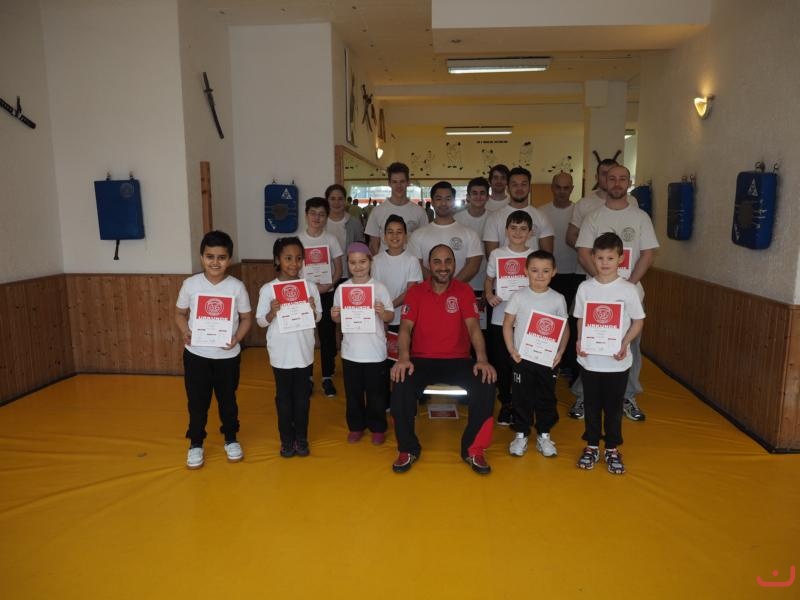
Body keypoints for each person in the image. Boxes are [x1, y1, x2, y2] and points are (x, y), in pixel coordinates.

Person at [390, 245, 497, 475]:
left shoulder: (464, 290)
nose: (443, 267)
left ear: (454, 264)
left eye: (448, 261)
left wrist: (482, 360)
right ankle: (407, 449)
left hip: (458, 360)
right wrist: (403, 358)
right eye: (437, 261)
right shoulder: (416, 292)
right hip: (421, 360)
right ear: (429, 265)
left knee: (486, 381)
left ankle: (474, 449)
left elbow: (474, 328)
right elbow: (405, 328)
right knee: (401, 381)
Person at [573, 165, 658, 422]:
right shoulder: (593, 217)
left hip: (629, 294)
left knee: (630, 346)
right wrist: (604, 282)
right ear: (604, 182)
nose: (617, 183)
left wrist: (626, 285)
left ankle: (628, 396)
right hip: (595, 294)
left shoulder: (640, 217)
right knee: (588, 345)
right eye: (612, 178)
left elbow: (648, 254)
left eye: (622, 179)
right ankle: (584, 396)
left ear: (629, 182)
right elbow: (583, 252)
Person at [175, 230, 253, 470]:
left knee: (227, 400)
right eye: (210, 256)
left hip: (227, 356)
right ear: (201, 257)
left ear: (229, 259)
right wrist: (185, 331)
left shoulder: (236, 287)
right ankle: (196, 442)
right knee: (197, 402)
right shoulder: (191, 284)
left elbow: (246, 318)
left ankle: (231, 438)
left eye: (221, 257)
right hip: (197, 355)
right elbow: (179, 314)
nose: (215, 262)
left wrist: (236, 338)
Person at [574, 233, 645, 475]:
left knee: (613, 408)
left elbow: (638, 321)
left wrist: (625, 343)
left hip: (617, 362)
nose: (605, 263)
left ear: (620, 259)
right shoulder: (585, 288)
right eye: (600, 257)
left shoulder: (628, 290)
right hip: (590, 360)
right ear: (593, 257)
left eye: (610, 258)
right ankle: (592, 445)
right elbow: (580, 318)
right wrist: (580, 340)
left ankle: (612, 448)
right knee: (592, 406)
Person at [256, 237, 322, 458]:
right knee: (283, 399)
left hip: (303, 352)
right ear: (277, 260)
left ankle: (301, 438)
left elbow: (319, 317)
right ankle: (286, 440)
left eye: (298, 258)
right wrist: (271, 312)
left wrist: (313, 309)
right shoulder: (268, 289)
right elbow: (260, 321)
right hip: (280, 354)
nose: (294, 263)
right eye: (288, 258)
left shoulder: (310, 287)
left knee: (302, 399)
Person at [502, 250, 569, 457]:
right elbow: (507, 324)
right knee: (521, 397)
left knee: (546, 397)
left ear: (554, 272)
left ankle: (544, 434)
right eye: (535, 270)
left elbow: (564, 328)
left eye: (546, 271)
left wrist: (560, 351)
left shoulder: (558, 299)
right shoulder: (518, 296)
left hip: (547, 360)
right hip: (522, 358)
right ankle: (521, 434)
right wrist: (511, 350)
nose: (540, 275)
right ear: (525, 271)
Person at [331, 243, 395, 444]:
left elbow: (390, 316)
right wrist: (335, 315)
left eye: (362, 262)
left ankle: (378, 427)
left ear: (370, 262)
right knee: (353, 394)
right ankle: (356, 426)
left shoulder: (379, 288)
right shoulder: (342, 289)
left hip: (375, 352)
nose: (358, 266)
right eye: (353, 263)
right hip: (351, 352)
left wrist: (382, 312)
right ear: (348, 264)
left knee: (377, 394)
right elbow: (337, 319)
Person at [484, 210, 534, 426]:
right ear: (506, 230)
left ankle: (522, 405)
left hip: (526, 320)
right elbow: (489, 280)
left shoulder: (535, 255)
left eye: (523, 229)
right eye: (513, 228)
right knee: (503, 364)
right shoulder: (497, 254)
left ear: (530, 233)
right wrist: (489, 295)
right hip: (500, 318)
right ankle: (506, 403)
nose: (518, 232)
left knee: (523, 364)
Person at [538, 172, 582, 378]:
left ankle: (570, 364)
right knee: (549, 320)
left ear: (572, 189)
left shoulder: (579, 211)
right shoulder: (541, 212)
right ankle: (547, 360)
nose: (562, 191)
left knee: (572, 321)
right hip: (549, 277)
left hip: (575, 274)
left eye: (566, 188)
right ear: (552, 188)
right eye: (558, 187)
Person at [299, 197, 343, 397]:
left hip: (326, 294)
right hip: (304, 297)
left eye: (321, 214)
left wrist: (328, 286)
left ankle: (327, 377)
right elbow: (292, 270)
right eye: (313, 213)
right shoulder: (298, 240)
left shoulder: (331, 239)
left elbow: (339, 269)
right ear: (306, 215)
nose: (317, 218)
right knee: (306, 337)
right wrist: (306, 290)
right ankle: (307, 378)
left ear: (326, 217)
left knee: (327, 337)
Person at [407, 181, 483, 283]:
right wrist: (437, 286)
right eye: (439, 199)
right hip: (428, 292)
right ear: (432, 202)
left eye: (448, 199)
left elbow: (473, 266)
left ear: (453, 201)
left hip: (459, 291)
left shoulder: (470, 234)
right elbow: (416, 265)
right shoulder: (418, 235)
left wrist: (451, 287)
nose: (443, 203)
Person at [483, 166, 554, 257]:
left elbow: (547, 256)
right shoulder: (494, 218)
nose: (519, 188)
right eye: (514, 184)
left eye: (523, 184)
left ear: (530, 188)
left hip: (533, 266)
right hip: (504, 266)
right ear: (508, 188)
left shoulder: (542, 217)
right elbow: (491, 256)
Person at [371, 215, 423, 332]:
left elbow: (410, 291)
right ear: (384, 237)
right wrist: (383, 315)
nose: (394, 236)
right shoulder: (376, 260)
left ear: (406, 237)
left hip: (405, 318)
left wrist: (388, 309)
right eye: (390, 232)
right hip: (381, 317)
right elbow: (375, 290)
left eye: (399, 232)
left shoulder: (412, 260)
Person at [365, 162, 428, 254]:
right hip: (384, 262)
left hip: (411, 262)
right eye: (394, 182)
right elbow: (374, 245)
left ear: (408, 182)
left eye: (402, 181)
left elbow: (424, 243)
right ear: (389, 183)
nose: (398, 186)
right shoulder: (377, 211)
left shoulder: (419, 212)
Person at [454, 176, 491, 316]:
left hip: (486, 282)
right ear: (468, 196)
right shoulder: (456, 219)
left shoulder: (494, 218)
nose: (478, 197)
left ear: (488, 197)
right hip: (461, 281)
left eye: (482, 193)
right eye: (474, 193)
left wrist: (489, 287)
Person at [325, 184, 365, 280]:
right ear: (327, 200)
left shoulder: (354, 223)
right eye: (333, 199)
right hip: (325, 276)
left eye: (340, 199)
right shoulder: (321, 223)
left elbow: (361, 249)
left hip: (348, 275)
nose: (336, 202)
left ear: (345, 200)